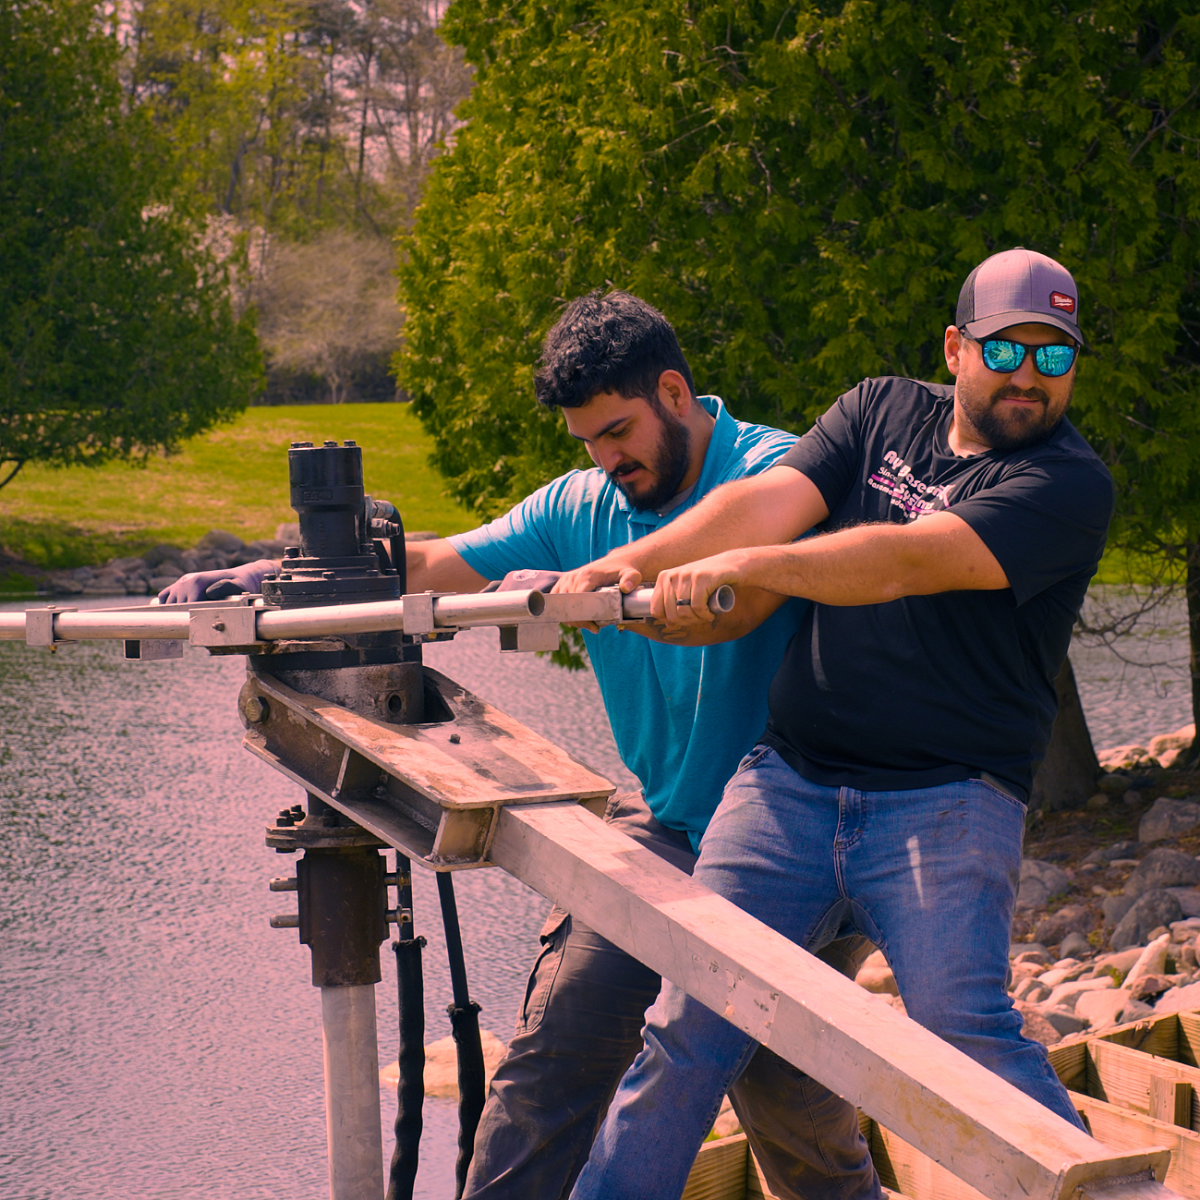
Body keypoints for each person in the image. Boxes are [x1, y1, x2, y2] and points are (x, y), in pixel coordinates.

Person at [160, 290, 874, 1200]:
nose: (606, 458)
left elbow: (780, 546)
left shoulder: (777, 472)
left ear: (674, 391)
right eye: (588, 441)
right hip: (671, 826)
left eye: (618, 431)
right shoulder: (585, 503)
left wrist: (609, 580)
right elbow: (439, 563)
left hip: (796, 839)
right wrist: (285, 575)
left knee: (786, 1094)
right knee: (557, 1053)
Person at [555, 249, 1114, 1200]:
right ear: (955, 347)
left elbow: (906, 559)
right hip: (789, 786)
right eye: (1007, 350)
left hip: (949, 804)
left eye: (1053, 358)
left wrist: (761, 569)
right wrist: (633, 561)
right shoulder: (877, 410)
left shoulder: (1070, 485)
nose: (1029, 376)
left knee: (964, 1034)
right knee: (689, 1026)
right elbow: (765, 501)